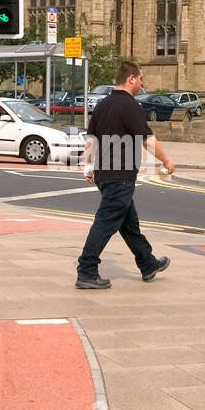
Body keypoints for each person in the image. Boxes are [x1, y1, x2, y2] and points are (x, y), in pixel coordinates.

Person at [76, 61, 175, 290]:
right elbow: (146, 139)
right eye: (140, 79)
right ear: (131, 78)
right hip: (120, 175)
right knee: (104, 223)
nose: (142, 84)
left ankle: (147, 263)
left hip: (104, 174)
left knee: (129, 224)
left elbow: (91, 140)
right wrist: (167, 160)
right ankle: (86, 270)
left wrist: (88, 168)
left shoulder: (102, 105)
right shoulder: (130, 106)